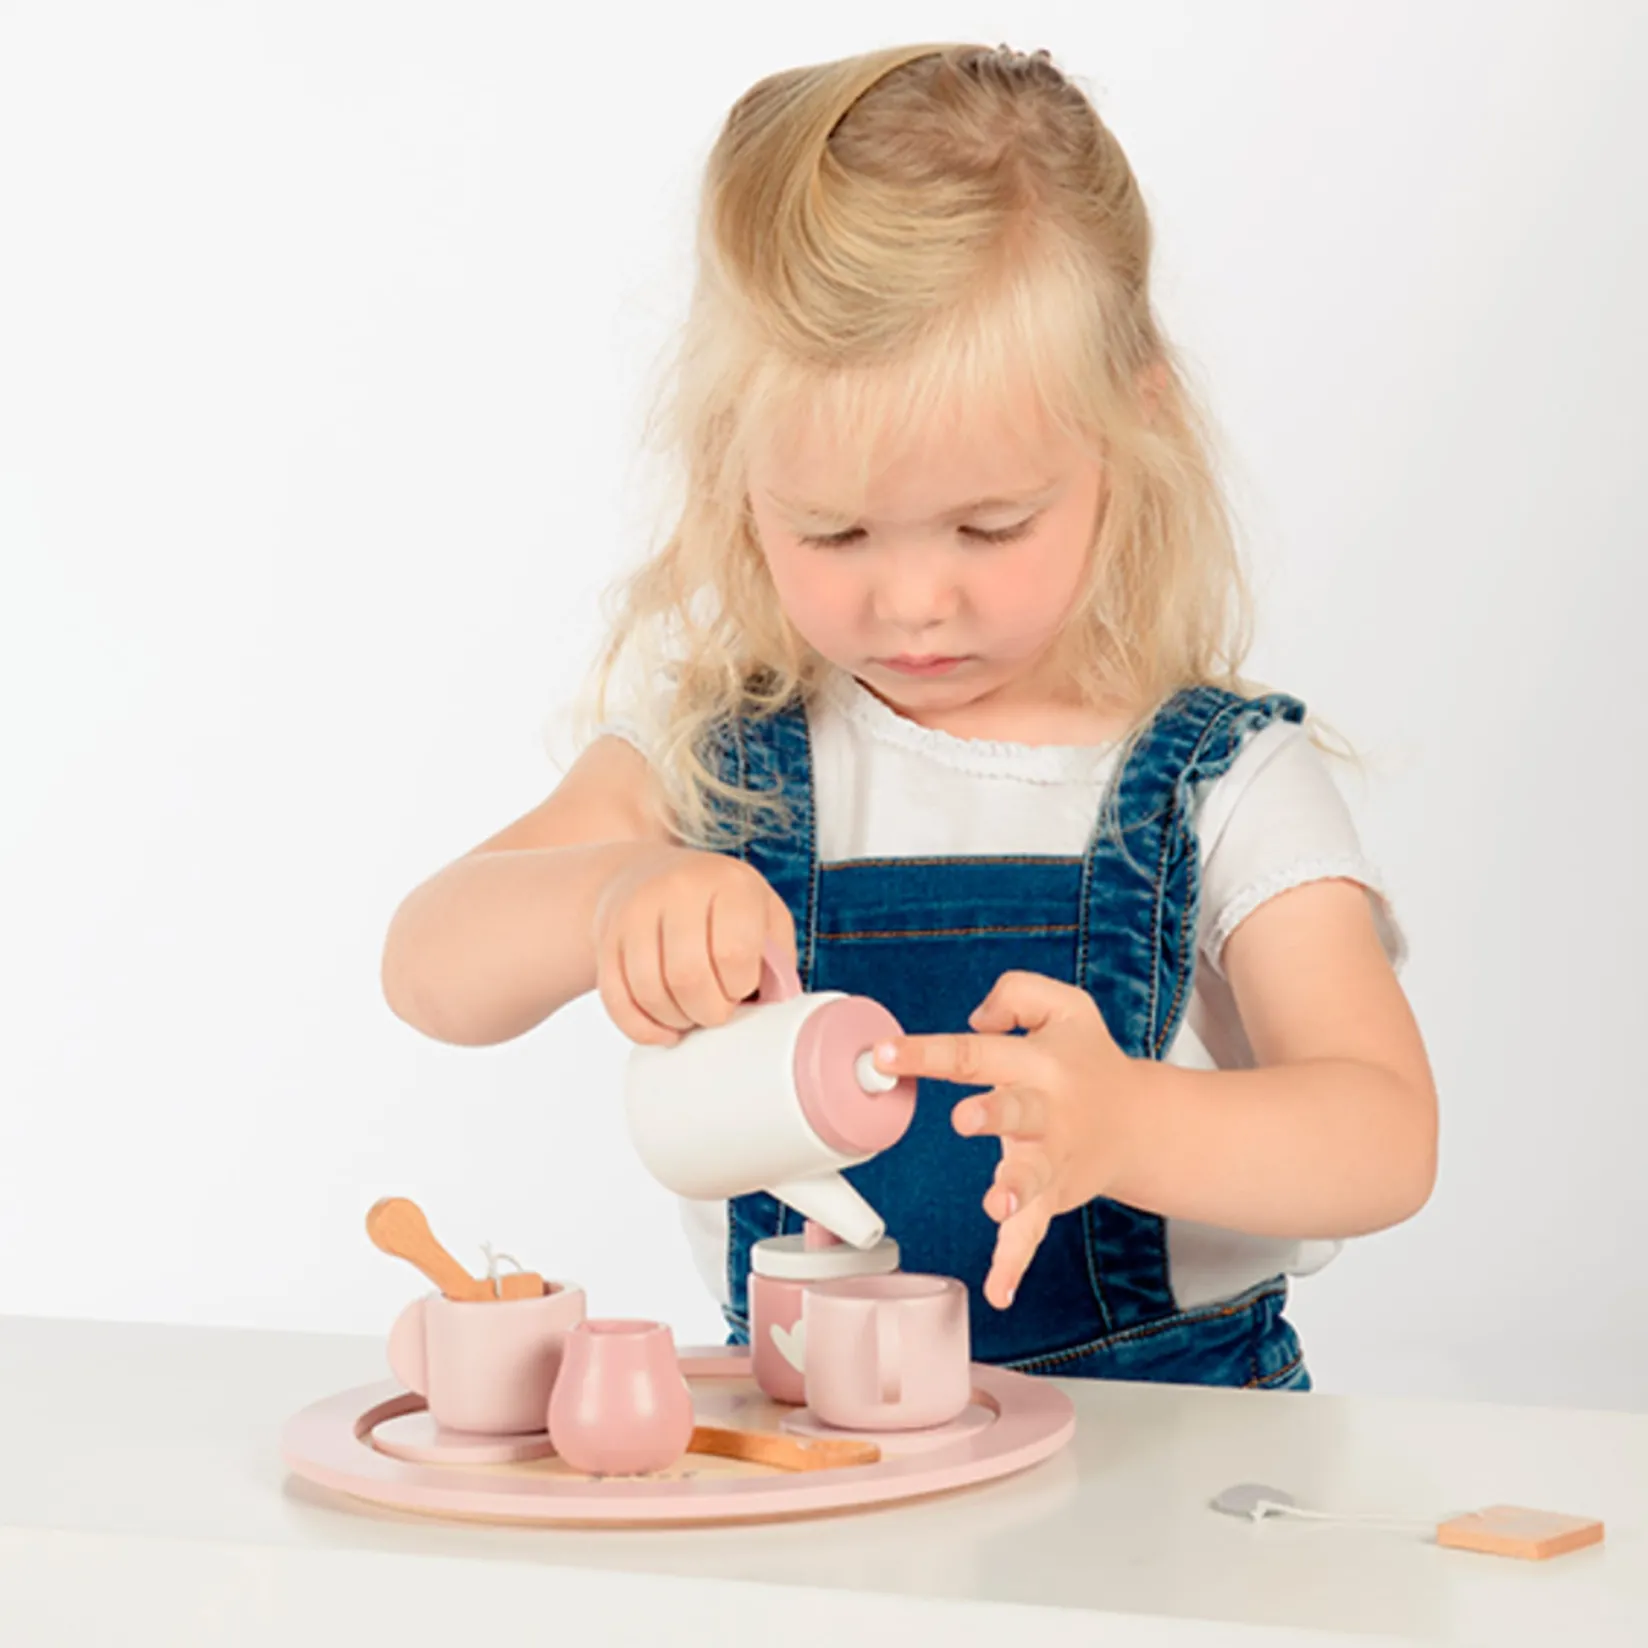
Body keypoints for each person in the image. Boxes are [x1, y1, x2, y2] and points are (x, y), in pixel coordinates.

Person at [381, 42, 1436, 1390]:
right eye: (835, 532)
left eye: (991, 526)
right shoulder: (727, 765)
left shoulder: (1215, 782)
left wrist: (1134, 1122)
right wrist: (610, 897)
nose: (916, 601)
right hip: (820, 1440)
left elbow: (1385, 1134)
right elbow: (428, 967)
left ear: (1131, 432)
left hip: (1166, 1441)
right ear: (736, 475)